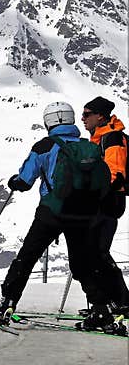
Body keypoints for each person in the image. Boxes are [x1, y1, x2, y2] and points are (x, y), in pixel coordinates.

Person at [0, 102, 124, 333]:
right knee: (83, 263)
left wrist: (13, 181)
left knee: (28, 256)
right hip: (83, 215)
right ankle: (101, 310)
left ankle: (8, 303)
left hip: (52, 212)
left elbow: (25, 180)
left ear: (50, 121)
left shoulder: (45, 145)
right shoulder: (87, 146)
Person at [81, 95, 128, 312]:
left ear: (100, 116)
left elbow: (114, 172)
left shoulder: (112, 138)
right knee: (98, 252)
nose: (83, 118)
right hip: (109, 199)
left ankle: (119, 301)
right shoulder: (103, 137)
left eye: (87, 114)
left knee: (96, 252)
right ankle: (116, 301)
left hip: (108, 200)